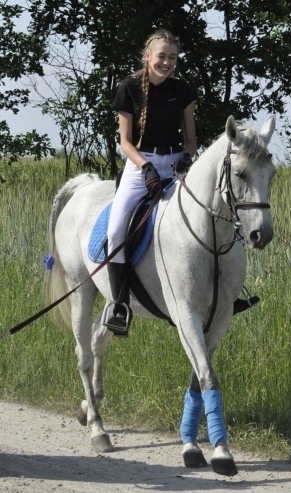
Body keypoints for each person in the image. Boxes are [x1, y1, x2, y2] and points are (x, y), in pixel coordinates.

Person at [105, 28, 197, 336]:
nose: (166, 62)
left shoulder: (183, 90)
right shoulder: (129, 88)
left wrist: (185, 158)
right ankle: (119, 305)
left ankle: (222, 292)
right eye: (161, 56)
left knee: (209, 213)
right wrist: (146, 168)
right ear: (147, 56)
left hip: (175, 164)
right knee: (116, 231)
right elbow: (125, 142)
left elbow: (191, 140)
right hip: (139, 165)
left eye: (172, 57)